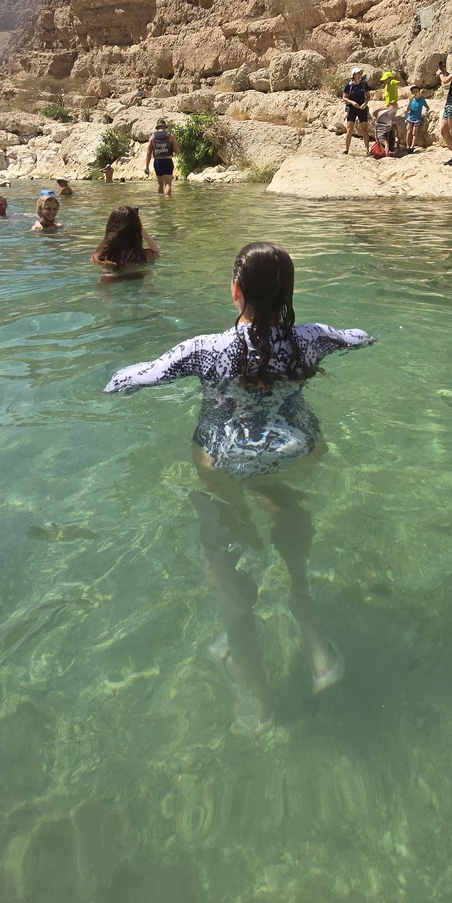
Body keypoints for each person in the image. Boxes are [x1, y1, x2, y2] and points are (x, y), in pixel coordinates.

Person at [105, 241, 373, 733]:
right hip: (298, 451)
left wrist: (110, 375)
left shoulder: (205, 351)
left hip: (226, 458)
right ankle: (312, 631)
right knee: (281, 500)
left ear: (236, 292)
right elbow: (361, 336)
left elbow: (130, 382)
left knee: (221, 532)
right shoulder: (310, 340)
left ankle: (249, 679)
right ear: (288, 292)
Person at [91, 204, 160, 275]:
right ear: (136, 230)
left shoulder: (99, 256)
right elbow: (157, 254)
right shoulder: (142, 256)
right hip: (136, 280)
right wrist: (147, 236)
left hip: (109, 281)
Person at [146, 119, 180, 196]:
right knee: (167, 184)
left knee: (160, 184)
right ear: (165, 127)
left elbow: (148, 153)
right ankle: (167, 202)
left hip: (157, 162)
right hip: (167, 161)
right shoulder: (170, 136)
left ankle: (160, 202)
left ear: (157, 127)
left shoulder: (152, 137)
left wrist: (147, 167)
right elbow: (177, 150)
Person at [342, 68, 371, 155]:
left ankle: (367, 150)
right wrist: (352, 102)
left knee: (364, 130)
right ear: (353, 75)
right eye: (357, 73)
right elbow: (344, 97)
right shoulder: (349, 85)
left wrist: (365, 103)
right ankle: (346, 150)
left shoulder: (364, 84)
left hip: (362, 109)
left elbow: (368, 96)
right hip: (352, 109)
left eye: (360, 73)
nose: (359, 75)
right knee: (349, 129)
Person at [405, 85, 429, 151]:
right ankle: (407, 146)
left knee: (414, 133)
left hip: (417, 119)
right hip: (410, 118)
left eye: (416, 91)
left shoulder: (422, 100)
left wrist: (426, 111)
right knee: (408, 131)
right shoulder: (412, 100)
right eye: (413, 92)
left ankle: (412, 147)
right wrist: (409, 102)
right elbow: (407, 110)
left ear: (419, 92)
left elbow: (427, 107)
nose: (415, 93)